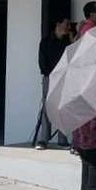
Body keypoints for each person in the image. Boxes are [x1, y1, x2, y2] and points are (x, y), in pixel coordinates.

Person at [36, 16, 71, 150]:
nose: (68, 27)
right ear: (58, 24)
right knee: (47, 108)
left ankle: (62, 139)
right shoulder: (46, 41)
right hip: (49, 77)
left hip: (63, 78)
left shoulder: (67, 42)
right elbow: (42, 62)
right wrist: (51, 74)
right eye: (66, 24)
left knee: (62, 107)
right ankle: (43, 139)